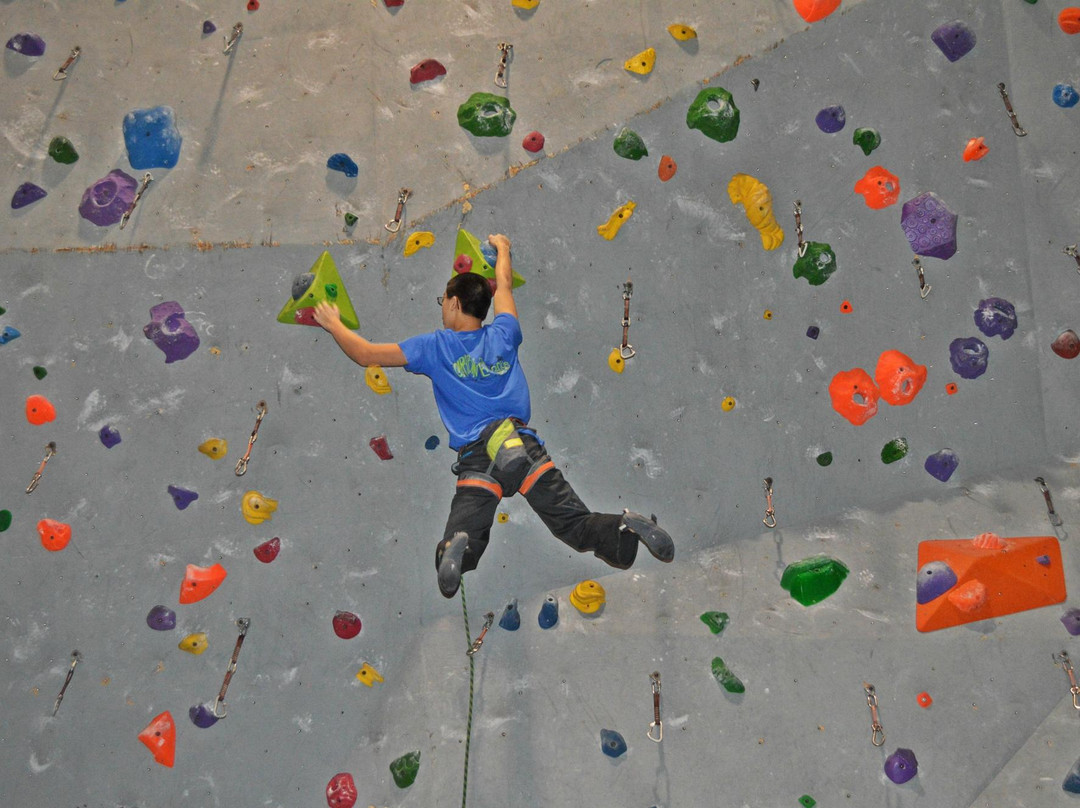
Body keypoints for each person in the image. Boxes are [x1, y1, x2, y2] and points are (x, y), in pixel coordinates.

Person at [313, 233, 674, 598]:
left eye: (443, 301)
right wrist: (503, 248)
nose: (442, 308)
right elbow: (502, 285)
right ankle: (623, 529)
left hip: (479, 455)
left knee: (468, 531)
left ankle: (456, 547)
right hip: (522, 445)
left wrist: (333, 323)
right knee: (574, 525)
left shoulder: (434, 346)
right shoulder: (505, 332)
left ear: (453, 303)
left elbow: (366, 354)